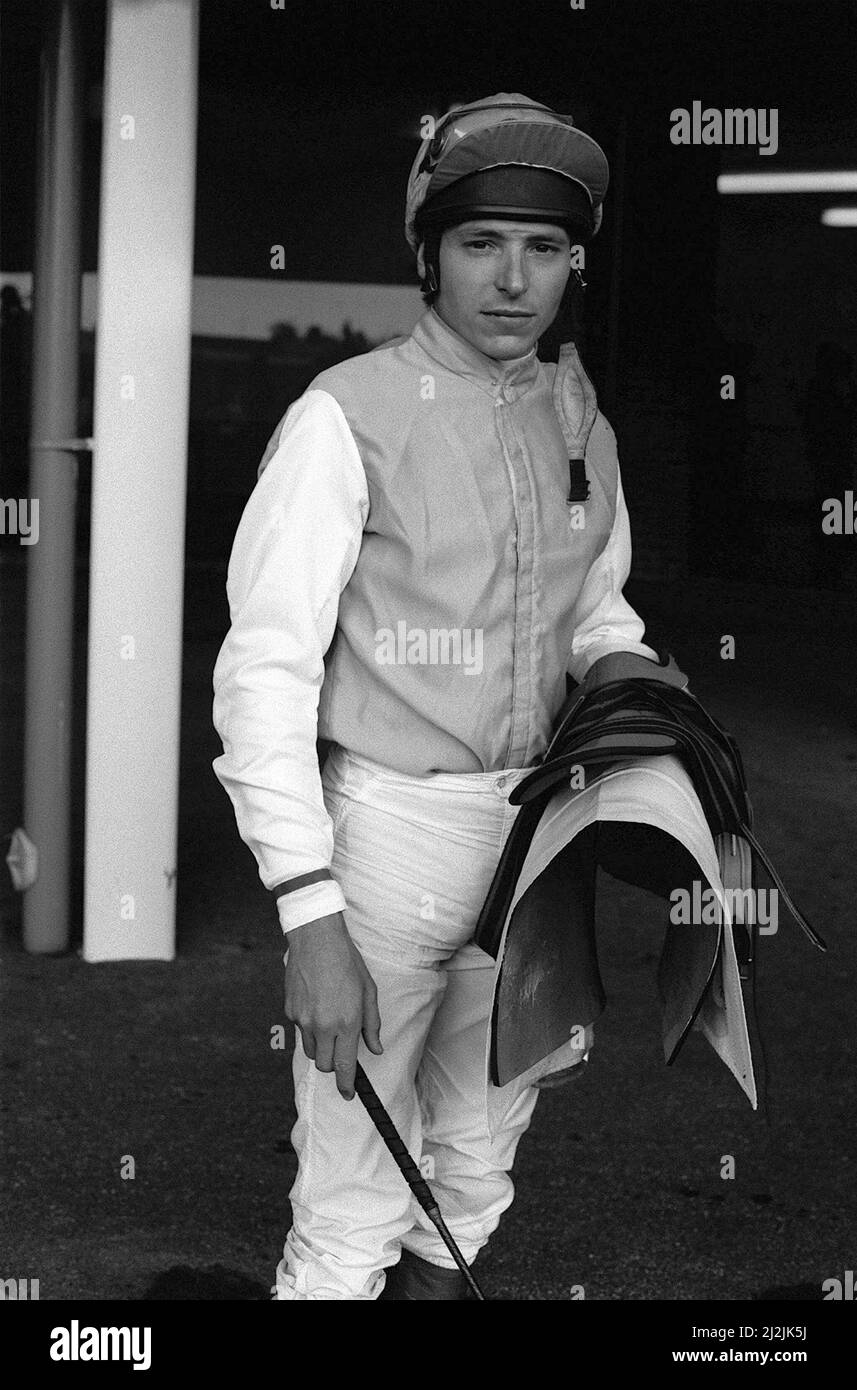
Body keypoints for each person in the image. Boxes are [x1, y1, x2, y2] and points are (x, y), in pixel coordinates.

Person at [211, 92, 660, 1301]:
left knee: (469, 1168)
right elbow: (262, 672)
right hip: (390, 840)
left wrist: (652, 716)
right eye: (480, 243)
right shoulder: (339, 418)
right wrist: (309, 917)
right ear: (427, 254)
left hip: (535, 839)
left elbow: (597, 615)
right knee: (353, 1195)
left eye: (544, 248)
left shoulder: (582, 418)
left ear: (574, 261)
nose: (513, 278)